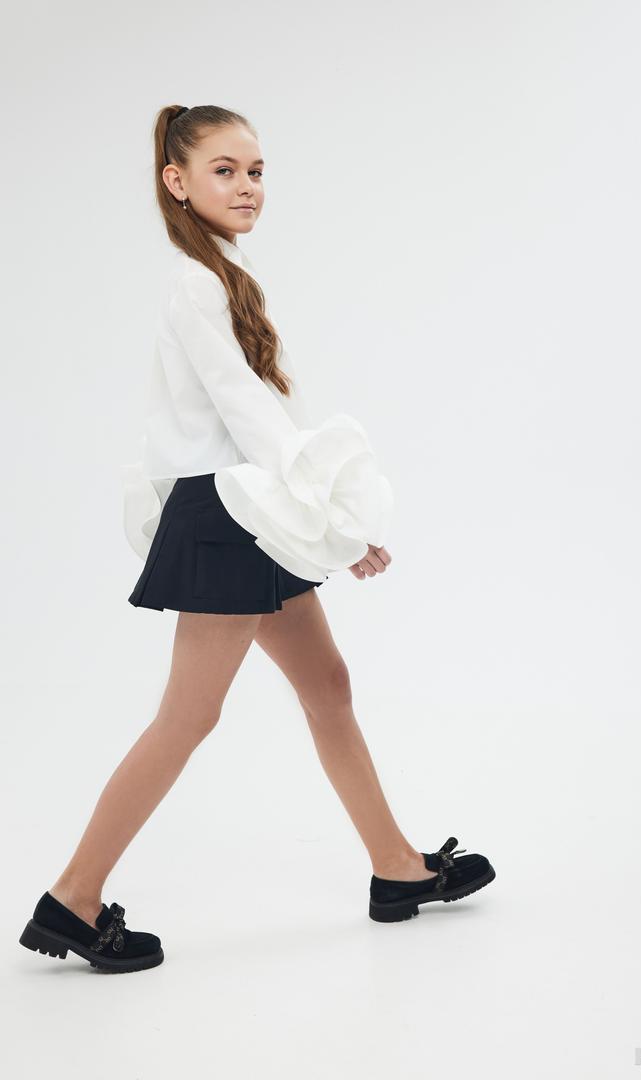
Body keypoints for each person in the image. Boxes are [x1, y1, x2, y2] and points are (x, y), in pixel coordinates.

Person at [19, 103, 495, 973]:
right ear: (177, 182)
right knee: (189, 717)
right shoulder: (196, 283)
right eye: (225, 170)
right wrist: (335, 515)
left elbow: (262, 412)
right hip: (226, 515)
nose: (247, 186)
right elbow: (244, 411)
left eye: (257, 171)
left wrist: (323, 515)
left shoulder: (224, 273)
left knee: (327, 684)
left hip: (251, 507)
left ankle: (395, 868)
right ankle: (72, 900)